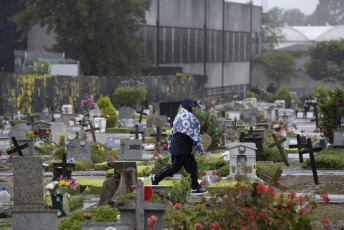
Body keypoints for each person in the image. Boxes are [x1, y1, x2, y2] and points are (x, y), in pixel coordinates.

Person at [149, 97, 208, 196]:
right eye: (193, 106)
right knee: (182, 167)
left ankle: (194, 187)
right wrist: (198, 140)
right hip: (181, 147)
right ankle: (156, 178)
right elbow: (189, 131)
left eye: (194, 107)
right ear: (188, 106)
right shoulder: (185, 116)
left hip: (183, 147)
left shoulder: (183, 114)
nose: (194, 108)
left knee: (186, 166)